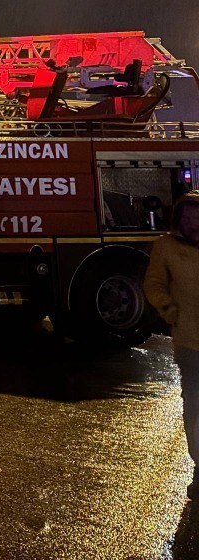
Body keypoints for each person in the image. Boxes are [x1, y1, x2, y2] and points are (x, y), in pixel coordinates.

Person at [146, 191, 199, 497]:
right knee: (195, 407)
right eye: (188, 215)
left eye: (198, 214)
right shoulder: (166, 247)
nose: (194, 220)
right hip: (191, 342)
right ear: (179, 218)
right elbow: (154, 283)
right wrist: (169, 308)